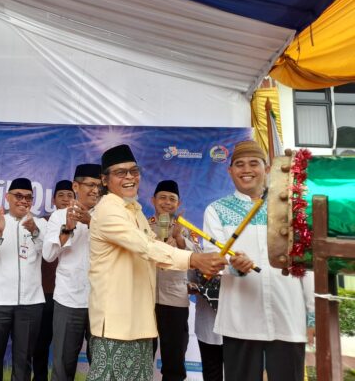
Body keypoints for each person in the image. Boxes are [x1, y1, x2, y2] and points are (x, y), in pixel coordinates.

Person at [87, 144, 227, 381]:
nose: (129, 177)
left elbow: (154, 245)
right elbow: (147, 247)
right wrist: (194, 259)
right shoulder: (108, 210)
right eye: (120, 172)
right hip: (116, 323)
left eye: (134, 171)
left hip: (140, 320)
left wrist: (192, 253)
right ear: (104, 180)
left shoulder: (134, 210)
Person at [203, 140, 314, 381]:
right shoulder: (216, 210)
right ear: (230, 170)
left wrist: (312, 314)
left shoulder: (291, 208)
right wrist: (234, 267)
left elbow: (305, 264)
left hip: (288, 314)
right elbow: (213, 256)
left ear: (267, 168)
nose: (247, 170)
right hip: (240, 319)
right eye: (239, 164)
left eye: (254, 163)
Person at [0, 177, 47, 381]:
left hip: (30, 302)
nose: (23, 201)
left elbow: (47, 254)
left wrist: (34, 231)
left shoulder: (40, 223)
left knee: (23, 362)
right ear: (8, 198)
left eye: (28, 197)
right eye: (18, 196)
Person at [43, 164, 101, 381]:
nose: (95, 190)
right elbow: (49, 254)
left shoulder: (108, 217)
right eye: (90, 185)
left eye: (99, 186)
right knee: (62, 366)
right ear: (76, 186)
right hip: (68, 300)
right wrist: (68, 228)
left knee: (102, 365)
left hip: (101, 301)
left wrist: (92, 223)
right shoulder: (59, 216)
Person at [149, 180, 194, 381]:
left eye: (172, 199)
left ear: (178, 203)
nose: (167, 203)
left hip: (175, 300)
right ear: (153, 200)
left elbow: (197, 257)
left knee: (174, 361)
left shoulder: (186, 229)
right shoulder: (143, 227)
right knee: (142, 356)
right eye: (162, 198)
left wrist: (180, 239)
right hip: (145, 300)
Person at [32, 179, 72, 381]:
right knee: (41, 341)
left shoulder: (83, 223)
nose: (65, 199)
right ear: (54, 199)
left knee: (66, 345)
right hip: (46, 291)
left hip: (69, 294)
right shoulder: (43, 223)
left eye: (69, 195)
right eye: (61, 195)